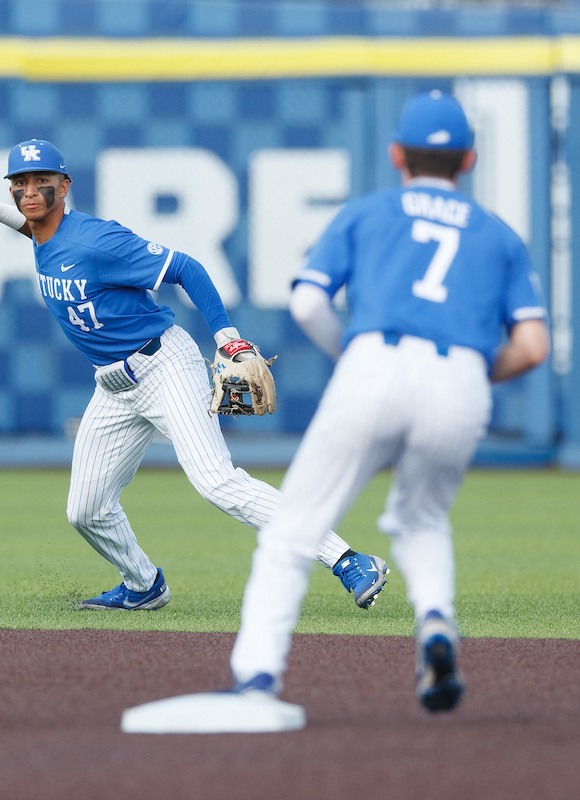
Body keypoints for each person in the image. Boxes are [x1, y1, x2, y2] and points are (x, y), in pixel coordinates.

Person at [0, 140, 389, 612]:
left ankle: (349, 560)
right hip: (114, 387)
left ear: (65, 186)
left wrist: (228, 337)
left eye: (43, 183)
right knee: (85, 510)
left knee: (217, 482)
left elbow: (185, 267)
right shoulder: (45, 234)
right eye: (20, 184)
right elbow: (42, 235)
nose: (30, 192)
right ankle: (143, 585)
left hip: (163, 365)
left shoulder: (97, 240)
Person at [227, 91, 549, 712]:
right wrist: (475, 371)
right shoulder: (499, 236)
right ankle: (433, 620)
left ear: (398, 154)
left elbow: (307, 303)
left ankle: (257, 680)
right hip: (459, 381)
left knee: (294, 531)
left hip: (373, 365)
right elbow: (533, 345)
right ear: (470, 159)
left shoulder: (366, 213)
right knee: (422, 518)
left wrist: (349, 355)